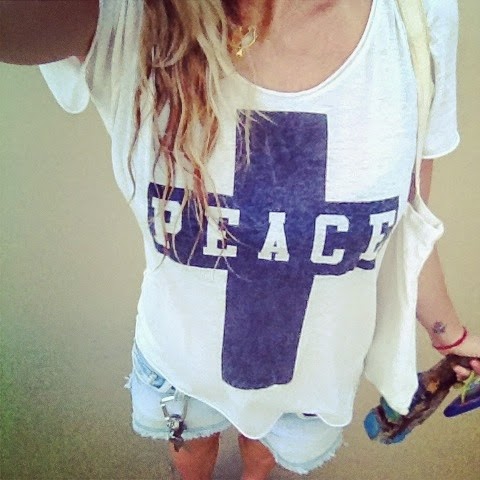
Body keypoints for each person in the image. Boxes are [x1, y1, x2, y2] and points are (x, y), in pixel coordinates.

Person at [1, 0, 479, 478]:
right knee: (190, 455)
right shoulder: (130, 15)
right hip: (180, 366)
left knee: (260, 453)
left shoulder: (419, 18)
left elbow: (411, 223)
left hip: (308, 380)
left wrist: (450, 335)